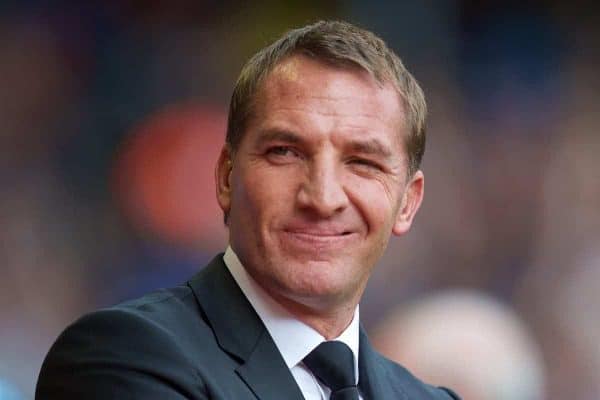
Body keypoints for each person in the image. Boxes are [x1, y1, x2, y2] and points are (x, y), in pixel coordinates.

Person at [36, 20, 460, 399]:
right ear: (225, 177)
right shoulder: (122, 358)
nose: (323, 197)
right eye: (286, 152)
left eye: (363, 162)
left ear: (407, 202)